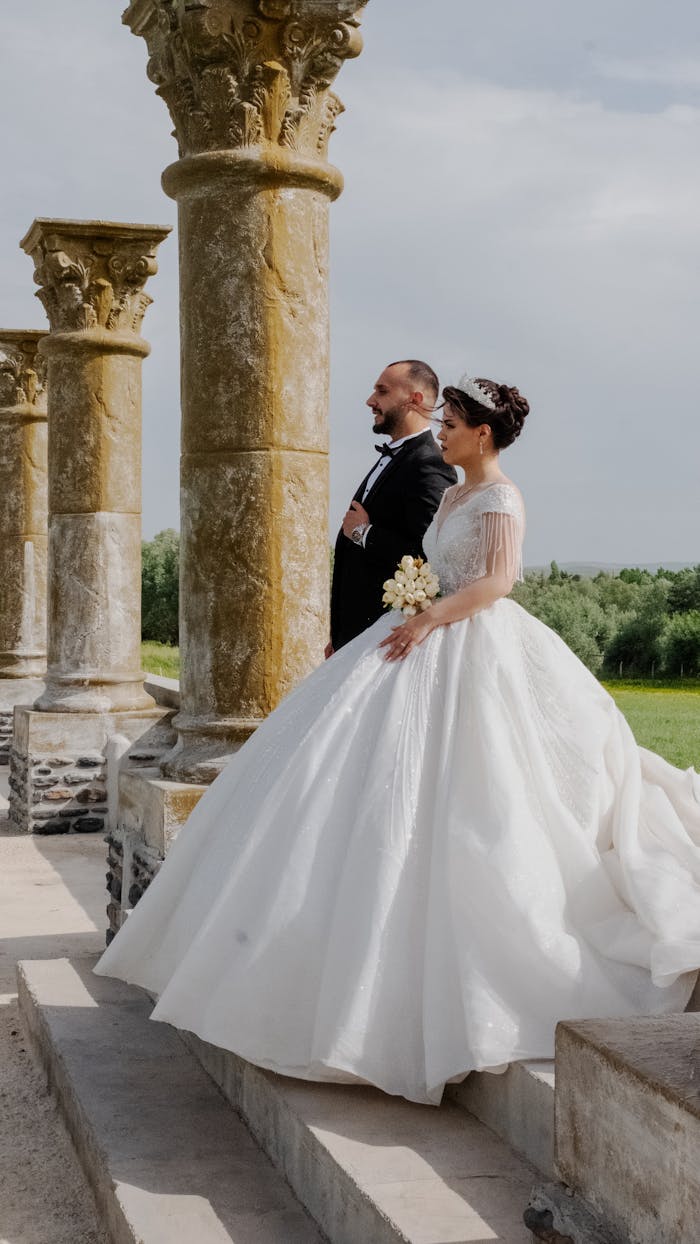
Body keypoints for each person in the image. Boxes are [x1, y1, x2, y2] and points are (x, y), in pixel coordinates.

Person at [96, 371, 700, 1107]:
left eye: (451, 421)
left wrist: (428, 617)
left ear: (482, 434)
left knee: (488, 795)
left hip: (471, 642)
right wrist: (410, 602)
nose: (441, 430)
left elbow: (499, 581)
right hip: (412, 634)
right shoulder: (449, 494)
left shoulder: (502, 497)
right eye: (441, 418)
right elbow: (435, 563)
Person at [328, 359, 456, 654]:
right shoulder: (396, 455)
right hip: (354, 635)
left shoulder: (430, 465)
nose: (370, 401)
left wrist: (363, 533)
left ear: (415, 399)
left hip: (384, 640)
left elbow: (426, 555)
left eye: (382, 392)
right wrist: (339, 635)